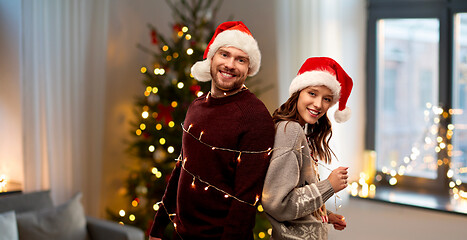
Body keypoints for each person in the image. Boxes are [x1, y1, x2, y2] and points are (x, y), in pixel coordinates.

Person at [148, 21, 275, 240]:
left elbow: (244, 201)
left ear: (249, 67)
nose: (230, 64)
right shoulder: (197, 106)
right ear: (212, 58)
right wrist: (158, 227)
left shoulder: (255, 117)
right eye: (224, 55)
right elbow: (181, 168)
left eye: (240, 59)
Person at [261, 57, 353, 239]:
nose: (319, 104)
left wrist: (323, 216)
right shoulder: (291, 131)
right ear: (298, 92)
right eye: (312, 93)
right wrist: (329, 186)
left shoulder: (297, 130)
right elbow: (277, 203)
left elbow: (296, 195)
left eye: (327, 99)